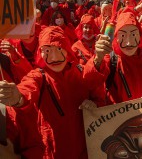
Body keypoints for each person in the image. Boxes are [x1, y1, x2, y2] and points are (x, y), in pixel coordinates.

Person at [0, 26, 105, 158]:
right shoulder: (39, 76)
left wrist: (94, 104)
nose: (54, 57)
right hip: (54, 151)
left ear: (67, 50)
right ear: (40, 52)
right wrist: (17, 97)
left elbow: (98, 95)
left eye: (59, 49)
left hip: (86, 147)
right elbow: (27, 88)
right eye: (47, 50)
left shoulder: (80, 71)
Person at [84, 11, 142, 104]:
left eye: (133, 34)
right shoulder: (109, 60)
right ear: (116, 38)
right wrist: (97, 58)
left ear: (140, 36)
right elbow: (89, 82)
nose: (129, 43)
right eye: (122, 35)